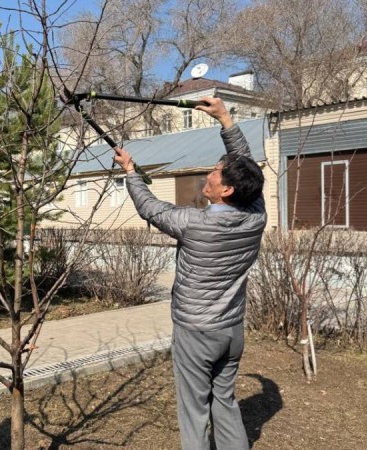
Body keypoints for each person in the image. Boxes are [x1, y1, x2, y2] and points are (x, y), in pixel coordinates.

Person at [113, 97, 266, 450]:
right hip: (231, 330)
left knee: (194, 411)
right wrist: (226, 119)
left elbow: (151, 208)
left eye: (214, 172)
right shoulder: (256, 213)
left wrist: (131, 172)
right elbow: (247, 168)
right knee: (224, 401)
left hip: (197, 333)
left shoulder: (196, 224)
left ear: (226, 189)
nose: (208, 175)